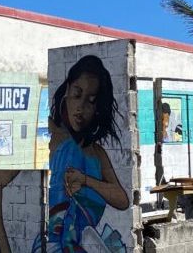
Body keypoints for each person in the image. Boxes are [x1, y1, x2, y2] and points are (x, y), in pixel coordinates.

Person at [35, 55, 130, 252]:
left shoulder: (97, 153)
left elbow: (122, 200)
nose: (81, 107)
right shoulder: (57, 137)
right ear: (67, 92)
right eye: (77, 95)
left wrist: (85, 180)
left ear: (97, 108)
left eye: (91, 101)